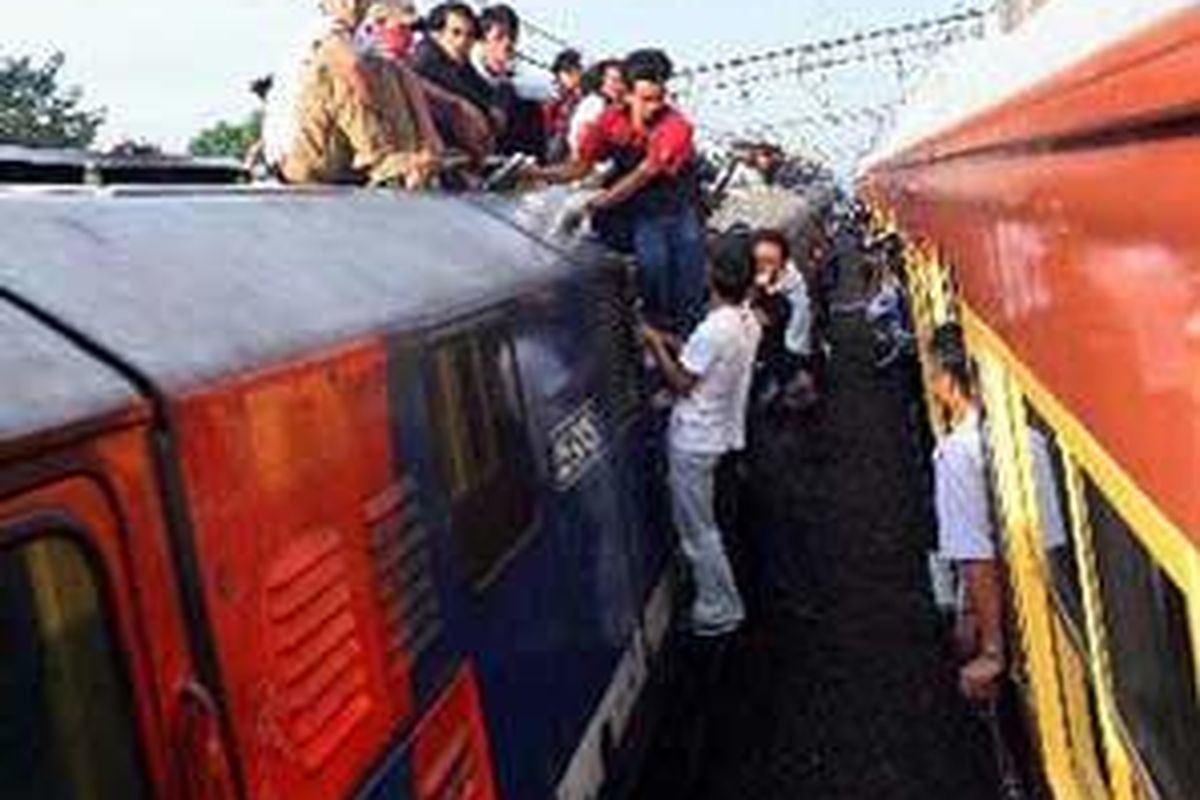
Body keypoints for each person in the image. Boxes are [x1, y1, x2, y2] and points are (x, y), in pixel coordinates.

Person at [535, 49, 707, 336]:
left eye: (659, 98)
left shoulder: (676, 126)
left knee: (681, 284)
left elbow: (645, 173)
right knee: (650, 266)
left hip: (674, 212)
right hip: (638, 212)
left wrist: (596, 203)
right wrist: (536, 174)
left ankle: (677, 336)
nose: (654, 107)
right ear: (626, 95)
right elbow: (579, 166)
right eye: (646, 99)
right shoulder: (609, 121)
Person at [642, 234, 763, 637]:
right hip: (721, 437)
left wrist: (653, 345)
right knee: (710, 527)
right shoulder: (745, 322)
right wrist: (668, 340)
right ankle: (722, 600)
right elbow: (700, 353)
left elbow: (682, 382)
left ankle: (719, 607)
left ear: (713, 275)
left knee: (698, 532)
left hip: (695, 441)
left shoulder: (714, 328)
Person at [263, 0, 438, 187]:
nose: (353, 5)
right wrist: (382, 116)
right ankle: (381, 156)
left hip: (338, 154)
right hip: (301, 158)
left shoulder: (365, 39)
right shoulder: (322, 30)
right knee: (339, 69)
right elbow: (351, 66)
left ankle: (411, 162)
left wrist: (429, 142)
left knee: (389, 70)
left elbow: (407, 78)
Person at [927, 323, 1006, 701]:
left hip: (1000, 608)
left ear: (949, 383)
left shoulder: (956, 454)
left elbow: (976, 557)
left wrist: (990, 647)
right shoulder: (1023, 435)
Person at [750, 229, 816, 410]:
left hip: (789, 352)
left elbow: (762, 317)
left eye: (770, 262)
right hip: (792, 349)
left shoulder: (786, 290)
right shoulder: (787, 278)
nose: (762, 267)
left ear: (784, 263)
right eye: (758, 261)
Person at [567, 58, 626, 157]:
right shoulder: (595, 103)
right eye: (614, 80)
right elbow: (582, 135)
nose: (618, 86)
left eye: (622, 81)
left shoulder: (617, 105)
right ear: (602, 81)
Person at [543, 49, 584, 163]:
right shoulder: (554, 98)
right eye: (568, 72)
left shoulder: (583, 97)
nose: (573, 76)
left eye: (576, 70)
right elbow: (547, 125)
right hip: (556, 143)